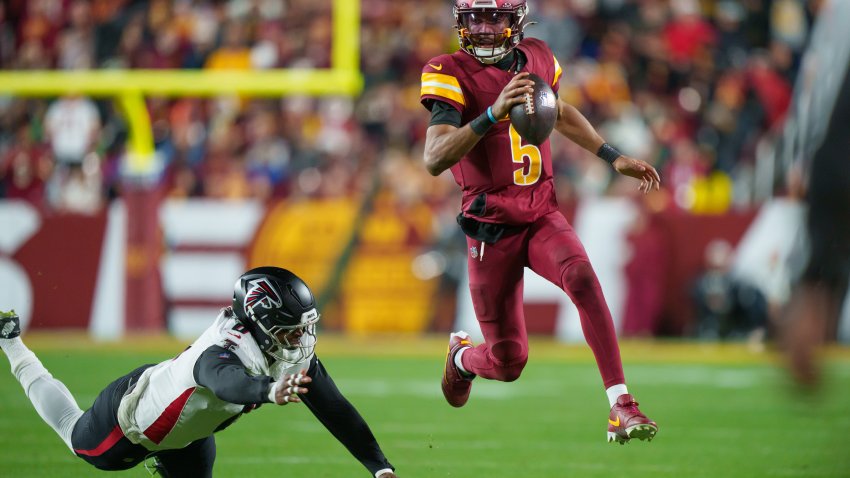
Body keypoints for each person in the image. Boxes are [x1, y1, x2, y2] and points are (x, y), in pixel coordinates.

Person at [419, 0, 660, 444]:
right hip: (491, 227)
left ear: (517, 21)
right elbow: (434, 159)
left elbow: (559, 111)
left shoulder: (537, 56)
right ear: (461, 22)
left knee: (583, 279)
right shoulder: (448, 69)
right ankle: (461, 359)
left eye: (496, 18)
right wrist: (492, 113)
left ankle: (621, 405)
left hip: (541, 212)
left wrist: (613, 156)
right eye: (476, 18)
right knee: (508, 363)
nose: (486, 28)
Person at [0, 267, 398, 477]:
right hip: (134, 420)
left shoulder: (282, 347)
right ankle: (11, 343)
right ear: (261, 323)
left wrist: (379, 466)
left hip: (192, 435)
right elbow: (227, 381)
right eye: (291, 329)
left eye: (303, 327)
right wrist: (268, 389)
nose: (301, 338)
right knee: (75, 435)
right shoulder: (222, 349)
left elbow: (334, 408)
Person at [779, 0, 850, 387]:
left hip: (834, 159)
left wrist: (803, 159)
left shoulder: (838, 16)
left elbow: (818, 93)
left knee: (814, 289)